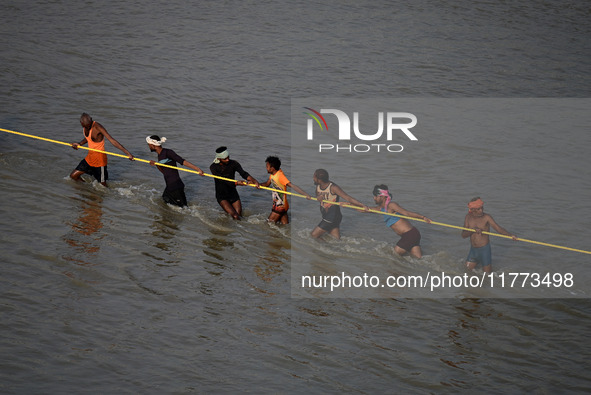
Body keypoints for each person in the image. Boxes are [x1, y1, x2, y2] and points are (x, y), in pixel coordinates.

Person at [70, 113, 134, 186]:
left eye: (89, 126)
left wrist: (127, 153)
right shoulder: (86, 126)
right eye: (86, 127)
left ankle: (108, 195)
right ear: (82, 124)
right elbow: (89, 138)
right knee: (73, 176)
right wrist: (80, 144)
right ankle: (88, 189)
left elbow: (112, 140)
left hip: (99, 161)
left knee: (103, 186)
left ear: (91, 120)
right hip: (89, 158)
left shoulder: (98, 127)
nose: (88, 127)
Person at [370, 185, 431, 258]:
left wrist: (422, 217)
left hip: (410, 235)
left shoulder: (391, 205)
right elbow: (366, 209)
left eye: (376, 196)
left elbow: (407, 213)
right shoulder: (381, 209)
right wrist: (353, 205)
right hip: (413, 235)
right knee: (417, 260)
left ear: (382, 197)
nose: (374, 198)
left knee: (394, 256)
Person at [461, 197, 518, 273]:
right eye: (478, 209)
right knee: (466, 272)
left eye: (482, 208)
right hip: (473, 251)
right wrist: (472, 231)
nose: (481, 210)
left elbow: (498, 229)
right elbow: (463, 235)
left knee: (488, 276)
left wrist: (510, 235)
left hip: (484, 250)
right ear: (472, 210)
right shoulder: (468, 217)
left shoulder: (486, 217)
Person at [146, 135, 204, 207]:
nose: (149, 146)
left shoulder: (168, 152)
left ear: (152, 144)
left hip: (175, 186)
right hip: (169, 186)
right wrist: (157, 165)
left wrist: (198, 169)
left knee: (184, 209)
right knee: (164, 202)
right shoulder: (160, 156)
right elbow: (165, 172)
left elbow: (182, 161)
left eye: (148, 145)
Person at [311, 169, 368, 240]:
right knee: (336, 240)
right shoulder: (318, 187)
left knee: (313, 235)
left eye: (314, 177)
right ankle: (335, 250)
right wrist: (318, 197)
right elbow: (318, 196)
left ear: (319, 179)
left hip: (331, 217)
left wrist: (362, 205)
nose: (313, 178)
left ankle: (326, 249)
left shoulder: (333, 187)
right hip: (330, 217)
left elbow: (348, 198)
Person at [209, 146, 259, 220]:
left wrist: (254, 181)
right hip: (222, 196)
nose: (228, 159)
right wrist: (237, 183)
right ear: (219, 159)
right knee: (235, 216)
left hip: (233, 193)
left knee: (239, 216)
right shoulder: (213, 167)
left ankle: (236, 229)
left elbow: (243, 173)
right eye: (225, 159)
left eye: (228, 157)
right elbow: (222, 181)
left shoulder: (234, 163)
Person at [259, 156, 311, 224]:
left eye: (267, 166)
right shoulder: (272, 175)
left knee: (268, 225)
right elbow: (267, 184)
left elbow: (292, 185)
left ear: (272, 168)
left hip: (280, 206)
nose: (266, 168)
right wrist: (258, 184)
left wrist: (305, 194)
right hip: (279, 204)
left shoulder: (280, 176)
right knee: (284, 227)